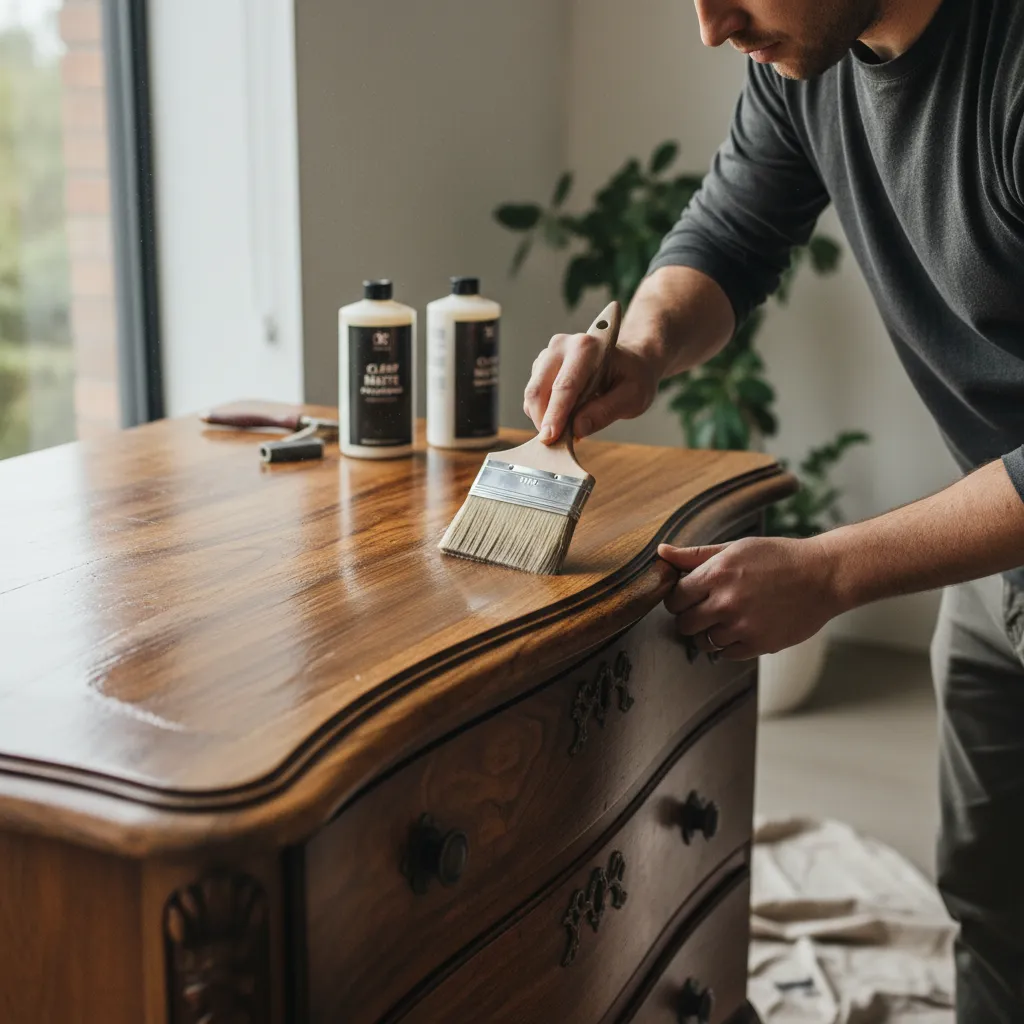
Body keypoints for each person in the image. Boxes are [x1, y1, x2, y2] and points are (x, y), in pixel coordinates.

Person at [522, 0, 1024, 1019]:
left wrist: (830, 570)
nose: (710, 27)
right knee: (992, 903)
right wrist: (642, 346)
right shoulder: (807, 58)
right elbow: (731, 228)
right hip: (1000, 563)